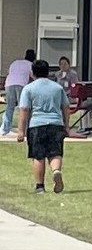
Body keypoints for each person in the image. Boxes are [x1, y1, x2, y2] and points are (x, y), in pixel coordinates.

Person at [16, 59, 70, 194]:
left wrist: (21, 131)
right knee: (55, 153)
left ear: (32, 73)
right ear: (47, 72)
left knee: (38, 156)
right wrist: (66, 126)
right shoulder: (57, 88)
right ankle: (56, 171)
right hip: (56, 124)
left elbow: (24, 110)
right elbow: (65, 107)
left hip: (37, 124)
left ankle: (40, 186)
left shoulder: (29, 88)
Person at [1, 49, 36, 135]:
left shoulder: (15, 62)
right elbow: (33, 77)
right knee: (23, 108)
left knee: (10, 107)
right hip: (21, 85)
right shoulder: (31, 65)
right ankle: (25, 129)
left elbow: (10, 72)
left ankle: (4, 129)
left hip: (9, 84)